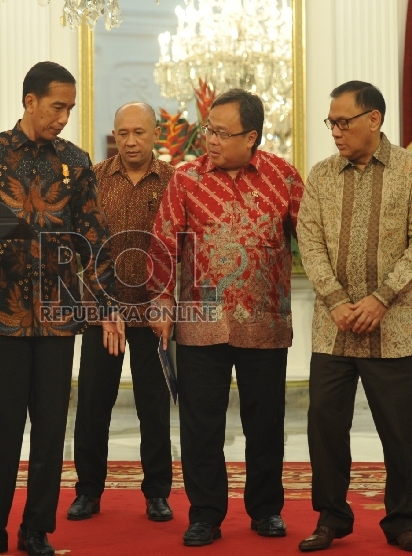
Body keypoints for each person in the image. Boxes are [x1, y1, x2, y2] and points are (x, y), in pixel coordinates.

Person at [0, 61, 125, 556]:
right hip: (0, 314)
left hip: (58, 317)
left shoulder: (75, 160)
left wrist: (106, 304)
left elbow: (94, 237)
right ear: (30, 101)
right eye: (57, 106)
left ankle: (37, 529)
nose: (63, 117)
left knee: (50, 428)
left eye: (69, 108)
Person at [147, 88, 304, 547]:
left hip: (265, 321)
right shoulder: (187, 177)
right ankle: (205, 515)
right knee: (200, 426)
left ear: (251, 136)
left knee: (265, 423)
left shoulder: (284, 177)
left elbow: (311, 239)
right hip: (201, 322)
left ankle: (266, 510)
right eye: (207, 130)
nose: (210, 140)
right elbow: (161, 244)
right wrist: (161, 302)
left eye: (221, 132)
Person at [295, 81, 412, 553]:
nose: (335, 131)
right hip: (333, 330)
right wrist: (337, 300)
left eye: (343, 122)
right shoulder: (320, 175)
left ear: (373, 119)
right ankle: (331, 517)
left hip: (394, 327)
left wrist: (381, 298)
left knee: (398, 432)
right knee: (325, 428)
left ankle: (402, 521)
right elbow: (309, 240)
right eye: (330, 123)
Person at [67, 102, 174, 523]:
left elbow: (176, 247)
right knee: (94, 404)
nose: (130, 141)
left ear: (155, 134)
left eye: (139, 133)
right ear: (114, 134)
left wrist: (164, 303)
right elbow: (81, 245)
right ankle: (88, 492)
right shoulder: (92, 178)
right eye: (123, 133)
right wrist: (106, 304)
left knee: (154, 405)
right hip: (102, 314)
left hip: (152, 315)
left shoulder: (172, 180)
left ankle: (157, 493)